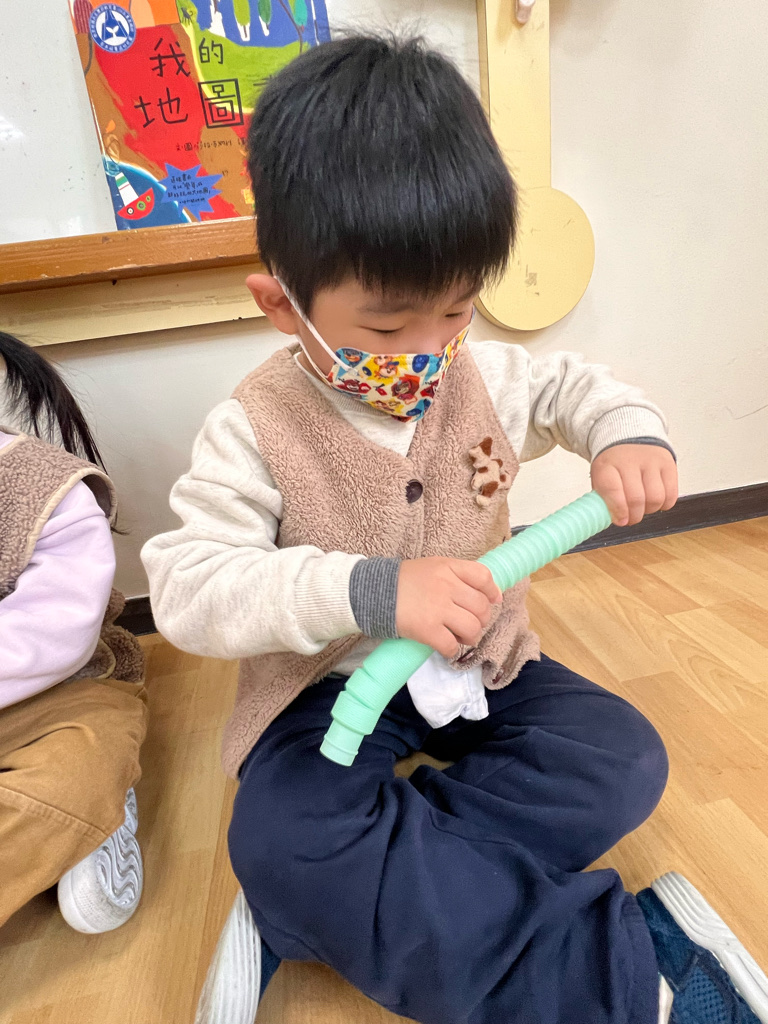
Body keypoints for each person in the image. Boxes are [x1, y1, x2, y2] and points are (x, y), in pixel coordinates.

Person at [142, 36, 767, 1024]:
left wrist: (628, 432)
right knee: (276, 833)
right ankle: (634, 964)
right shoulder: (253, 429)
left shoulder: (484, 375)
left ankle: (341, 895)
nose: (429, 354)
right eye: (389, 330)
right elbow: (190, 586)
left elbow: (571, 387)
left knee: (621, 757)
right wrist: (371, 590)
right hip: (328, 697)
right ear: (282, 306)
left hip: (484, 666)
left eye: (458, 312)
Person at [0, 332, 146, 934]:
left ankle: (90, 816)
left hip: (57, 695)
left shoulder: (40, 488)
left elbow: (59, 630)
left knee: (81, 764)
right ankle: (67, 835)